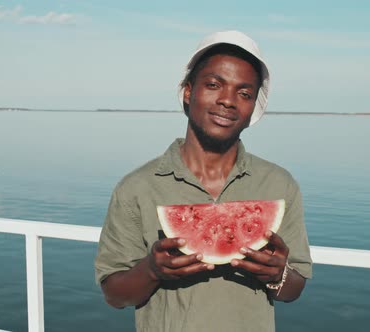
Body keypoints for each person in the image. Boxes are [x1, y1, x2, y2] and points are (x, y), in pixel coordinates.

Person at [94, 30, 312, 332]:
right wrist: (152, 270)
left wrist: (278, 275)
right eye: (213, 85)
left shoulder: (279, 184)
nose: (227, 100)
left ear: (252, 110)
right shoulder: (137, 187)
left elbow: (294, 289)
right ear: (188, 91)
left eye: (244, 93)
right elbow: (114, 295)